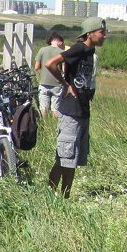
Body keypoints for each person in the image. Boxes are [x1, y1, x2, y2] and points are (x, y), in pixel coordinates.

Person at [44, 17, 106, 197]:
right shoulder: (79, 48)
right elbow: (51, 64)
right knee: (64, 156)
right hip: (71, 109)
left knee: (72, 158)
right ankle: (50, 196)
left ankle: (65, 196)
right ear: (90, 33)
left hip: (82, 109)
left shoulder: (90, 51)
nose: (104, 36)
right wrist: (65, 84)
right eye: (101, 32)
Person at [34, 32, 66, 116]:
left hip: (44, 82)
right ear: (59, 41)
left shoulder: (42, 50)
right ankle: (54, 126)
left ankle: (45, 124)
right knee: (55, 108)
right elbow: (64, 69)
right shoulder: (62, 52)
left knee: (43, 107)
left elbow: (36, 67)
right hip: (57, 84)